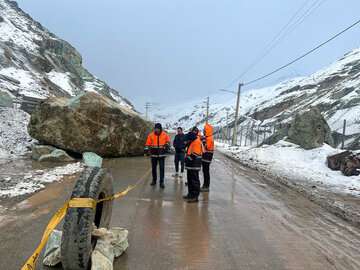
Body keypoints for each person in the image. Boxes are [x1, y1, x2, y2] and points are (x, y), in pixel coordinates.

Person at [144, 123, 171, 189]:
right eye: (155, 129)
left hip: (162, 155)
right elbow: (147, 144)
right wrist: (146, 150)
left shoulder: (165, 134)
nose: (156, 130)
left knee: (161, 169)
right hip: (154, 155)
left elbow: (168, 141)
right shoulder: (151, 135)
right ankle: (154, 180)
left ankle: (161, 182)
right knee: (153, 168)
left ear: (160, 128)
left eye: (158, 129)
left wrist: (166, 145)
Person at [183, 127, 203, 203]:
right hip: (191, 164)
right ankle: (190, 194)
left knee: (194, 180)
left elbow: (195, 154)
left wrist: (187, 159)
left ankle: (195, 196)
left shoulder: (197, 141)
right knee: (190, 180)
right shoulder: (192, 141)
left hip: (194, 164)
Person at [201, 123, 214, 192]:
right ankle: (205, 185)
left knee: (206, 172)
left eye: (204, 130)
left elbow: (207, 147)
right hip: (205, 157)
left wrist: (203, 142)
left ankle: (206, 186)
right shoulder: (207, 138)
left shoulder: (209, 139)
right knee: (205, 171)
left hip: (207, 157)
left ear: (207, 131)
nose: (203, 131)